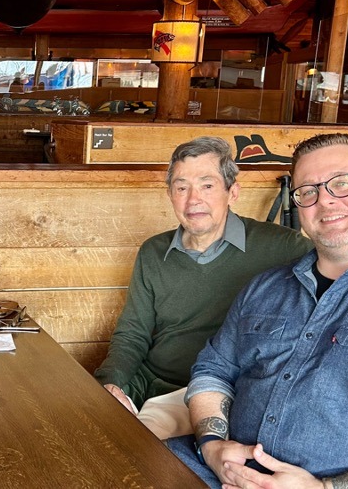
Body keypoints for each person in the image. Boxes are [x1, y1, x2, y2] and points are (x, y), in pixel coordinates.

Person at [170, 133, 348, 488]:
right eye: (308, 191)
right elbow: (213, 369)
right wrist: (212, 446)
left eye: (342, 184)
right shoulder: (265, 287)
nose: (326, 201)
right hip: (211, 473)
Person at [94, 137, 312, 415]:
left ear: (232, 192)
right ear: (170, 195)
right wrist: (110, 383)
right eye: (181, 187)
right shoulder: (153, 251)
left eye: (207, 186)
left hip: (231, 396)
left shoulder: (285, 247)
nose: (193, 199)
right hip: (152, 383)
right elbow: (132, 334)